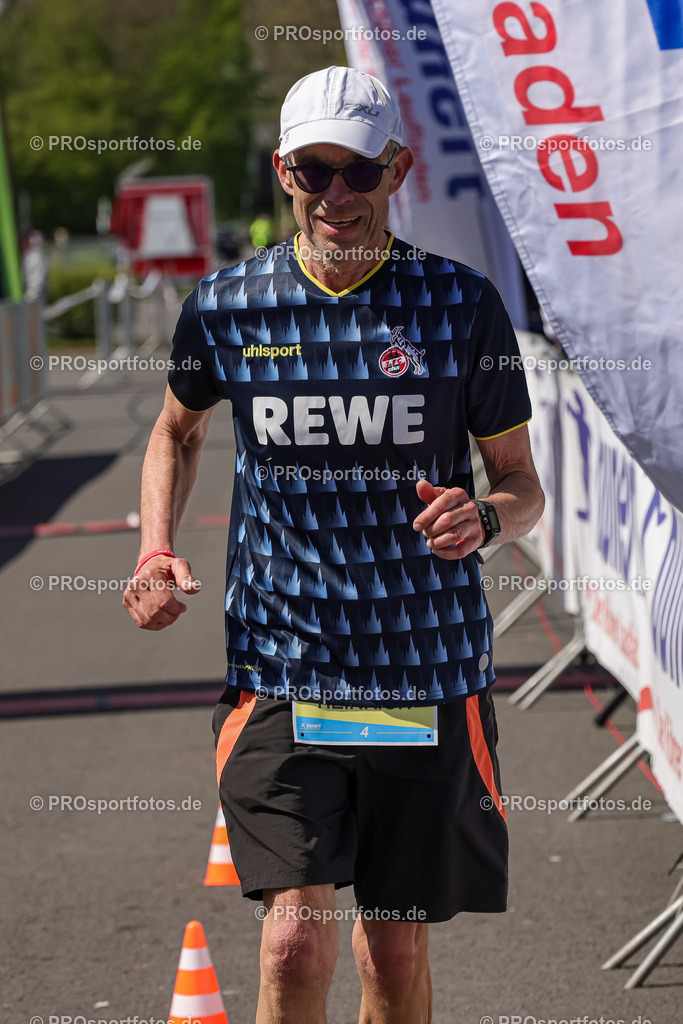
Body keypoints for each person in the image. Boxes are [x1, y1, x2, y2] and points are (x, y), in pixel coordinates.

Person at [123, 65, 544, 1024]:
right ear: (283, 172)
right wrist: (154, 550)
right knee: (292, 939)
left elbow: (521, 486)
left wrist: (484, 516)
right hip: (283, 663)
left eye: (358, 170)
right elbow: (175, 431)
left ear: (397, 168)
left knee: (391, 951)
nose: (338, 196)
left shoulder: (459, 308)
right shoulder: (229, 305)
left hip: (422, 668)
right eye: (315, 172)